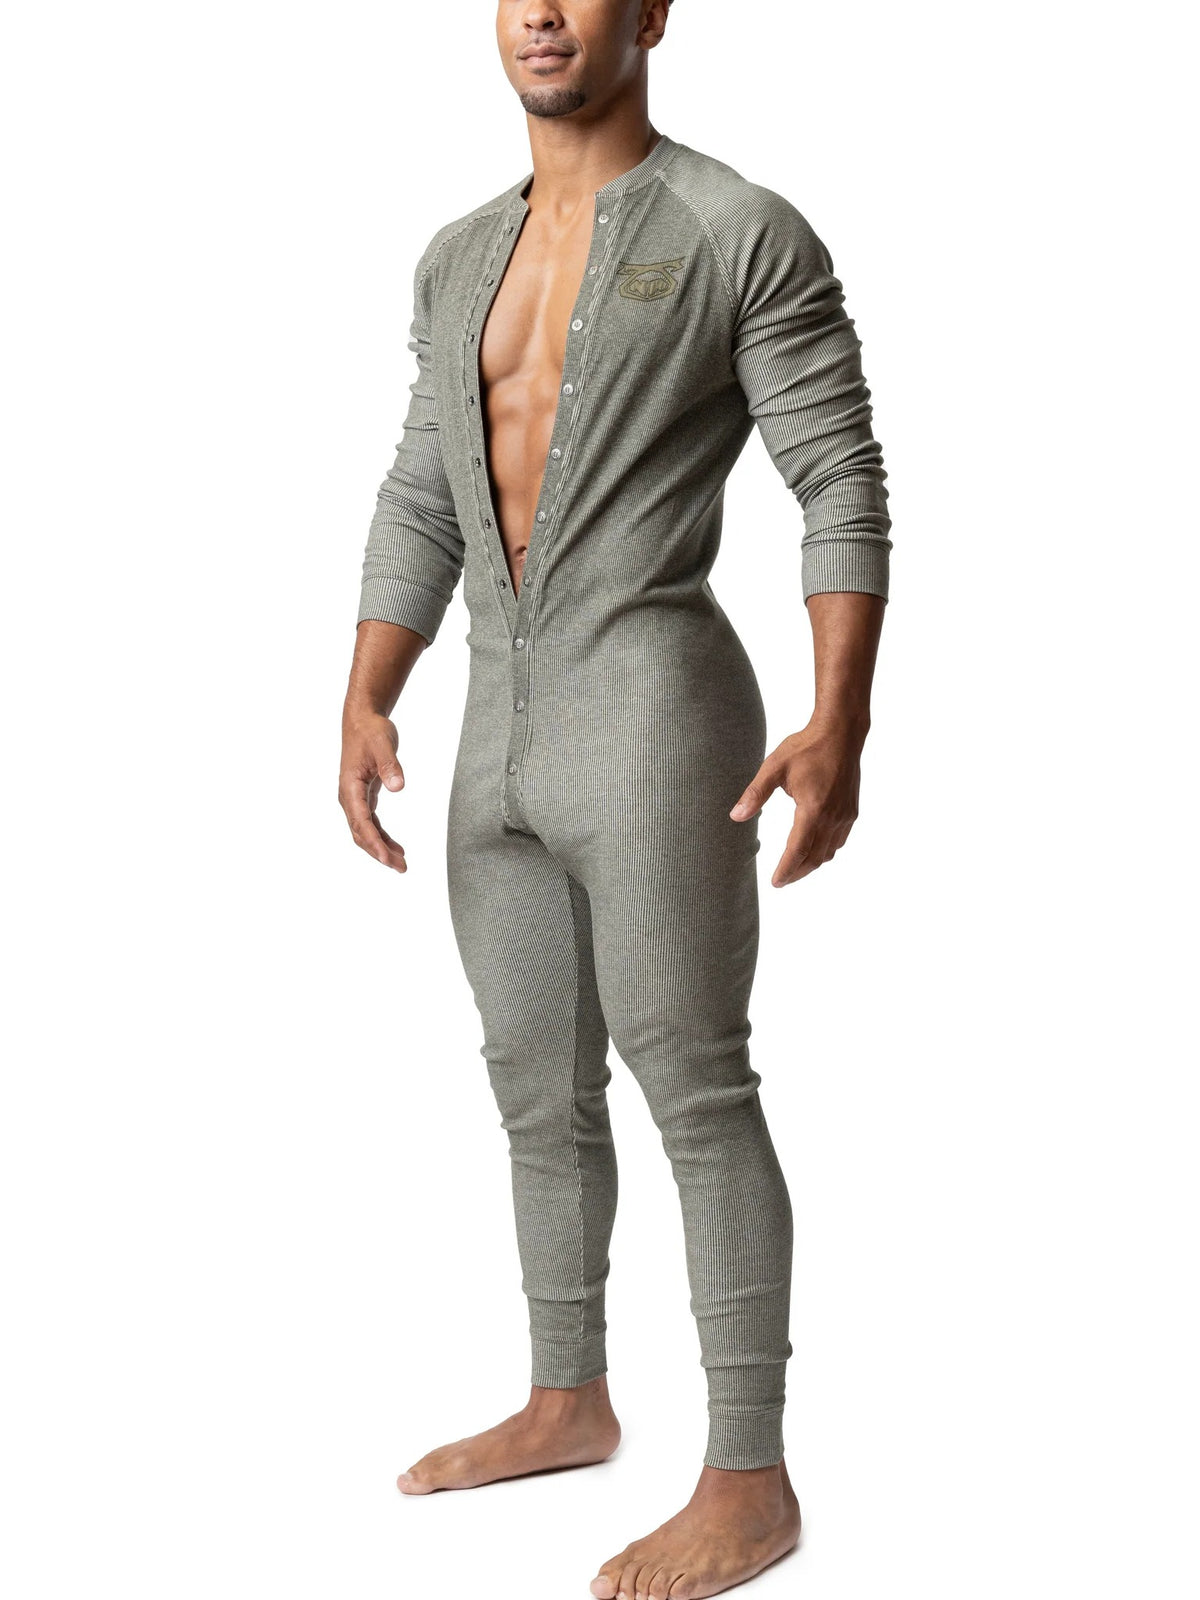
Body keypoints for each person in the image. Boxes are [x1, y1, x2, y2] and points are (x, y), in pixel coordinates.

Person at [338, 3, 891, 1594]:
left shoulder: (737, 228)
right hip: (492, 721)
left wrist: (841, 716)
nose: (540, 11)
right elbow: (423, 486)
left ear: (652, 13)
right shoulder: (455, 255)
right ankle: (566, 1397)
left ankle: (749, 1481)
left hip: (652, 704)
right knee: (534, 1086)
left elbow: (838, 476)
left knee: (694, 1085)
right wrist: (367, 688)